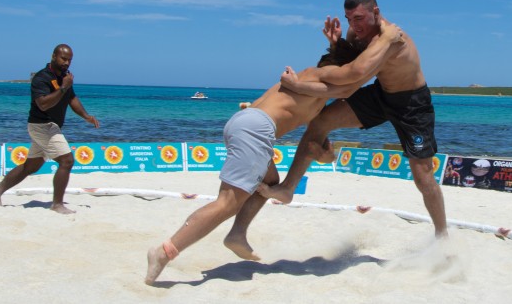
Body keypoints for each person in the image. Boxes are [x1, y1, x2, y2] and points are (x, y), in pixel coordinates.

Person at [144, 21, 403, 285]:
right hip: (256, 128)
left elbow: (332, 113)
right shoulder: (318, 73)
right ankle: (164, 252)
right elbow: (352, 79)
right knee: (226, 203)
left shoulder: (316, 92)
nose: (355, 78)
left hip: (246, 123)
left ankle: (237, 234)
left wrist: (326, 154)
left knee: (269, 183)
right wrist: (386, 41)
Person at [259, 0, 449, 238]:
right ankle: (287, 188)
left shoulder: (392, 39)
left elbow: (352, 80)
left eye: (359, 18)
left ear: (376, 12)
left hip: (412, 104)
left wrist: (298, 86)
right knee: (320, 120)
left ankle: (442, 234)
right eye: (349, 19)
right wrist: (337, 43)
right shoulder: (356, 33)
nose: (354, 25)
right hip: (381, 94)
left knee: (423, 177)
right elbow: (350, 63)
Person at [0, 44, 100, 214]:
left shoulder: (64, 77)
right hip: (43, 125)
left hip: (47, 126)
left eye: (69, 60)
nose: (67, 63)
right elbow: (43, 104)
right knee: (67, 161)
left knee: (31, 166)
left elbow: (72, 98)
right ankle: (57, 204)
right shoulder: (41, 77)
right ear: (54, 56)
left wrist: (86, 116)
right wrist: (63, 87)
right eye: (63, 58)